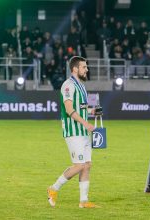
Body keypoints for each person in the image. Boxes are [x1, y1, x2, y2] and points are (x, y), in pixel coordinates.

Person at [47, 56, 99, 208]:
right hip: (74, 131)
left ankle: (84, 201)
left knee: (87, 164)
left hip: (83, 131)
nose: (87, 69)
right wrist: (87, 124)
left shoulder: (81, 85)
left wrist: (92, 110)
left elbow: (81, 108)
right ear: (75, 69)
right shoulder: (68, 85)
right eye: (84, 67)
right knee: (79, 165)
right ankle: (53, 188)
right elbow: (69, 110)